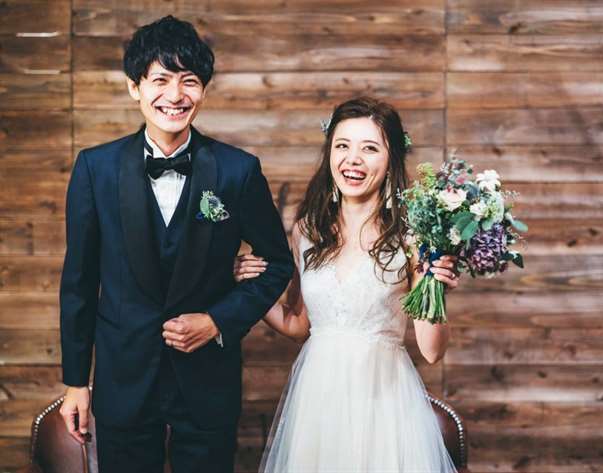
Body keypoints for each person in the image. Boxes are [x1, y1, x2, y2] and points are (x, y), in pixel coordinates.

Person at [58, 15, 294, 473]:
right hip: (123, 378)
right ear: (135, 87)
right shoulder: (95, 168)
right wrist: (75, 383)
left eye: (189, 81)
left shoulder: (237, 170)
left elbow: (278, 263)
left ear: (203, 91)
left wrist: (217, 320)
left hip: (207, 382)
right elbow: (79, 284)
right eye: (161, 80)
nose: (175, 95)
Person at [235, 97, 460, 472]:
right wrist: (250, 289)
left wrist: (433, 288)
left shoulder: (411, 236)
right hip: (317, 403)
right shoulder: (307, 230)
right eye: (342, 146)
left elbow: (432, 351)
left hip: (383, 403)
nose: (352, 159)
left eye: (369, 148)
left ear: (390, 163)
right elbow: (299, 324)